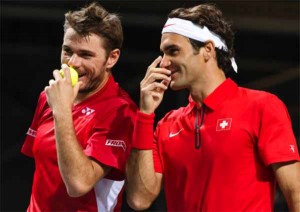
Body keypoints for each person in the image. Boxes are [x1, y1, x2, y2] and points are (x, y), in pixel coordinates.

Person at [125, 3, 300, 211]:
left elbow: (295, 192)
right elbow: (138, 199)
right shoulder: (165, 125)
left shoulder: (262, 106)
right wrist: (145, 114)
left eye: (173, 51)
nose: (163, 63)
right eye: (163, 53)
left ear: (207, 50)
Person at [21, 2, 137, 211]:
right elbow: (43, 175)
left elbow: (79, 184)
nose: (72, 62)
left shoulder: (121, 111)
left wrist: (62, 110)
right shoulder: (50, 95)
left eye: (85, 55)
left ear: (112, 58)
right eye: (67, 51)